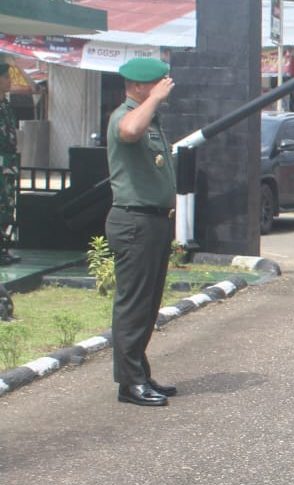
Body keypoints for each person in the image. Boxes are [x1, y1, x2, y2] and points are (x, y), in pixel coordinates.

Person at [106, 57, 178, 407]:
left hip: (154, 222)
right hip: (135, 222)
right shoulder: (125, 115)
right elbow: (129, 131)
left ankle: (140, 373)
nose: (165, 86)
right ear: (137, 86)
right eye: (157, 82)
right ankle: (129, 383)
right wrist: (155, 99)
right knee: (133, 306)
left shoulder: (150, 118)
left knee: (147, 306)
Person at [0, 61, 19, 266]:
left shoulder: (5, 105)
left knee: (7, 206)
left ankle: (3, 247)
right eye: (5, 77)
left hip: (8, 164)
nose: (9, 81)